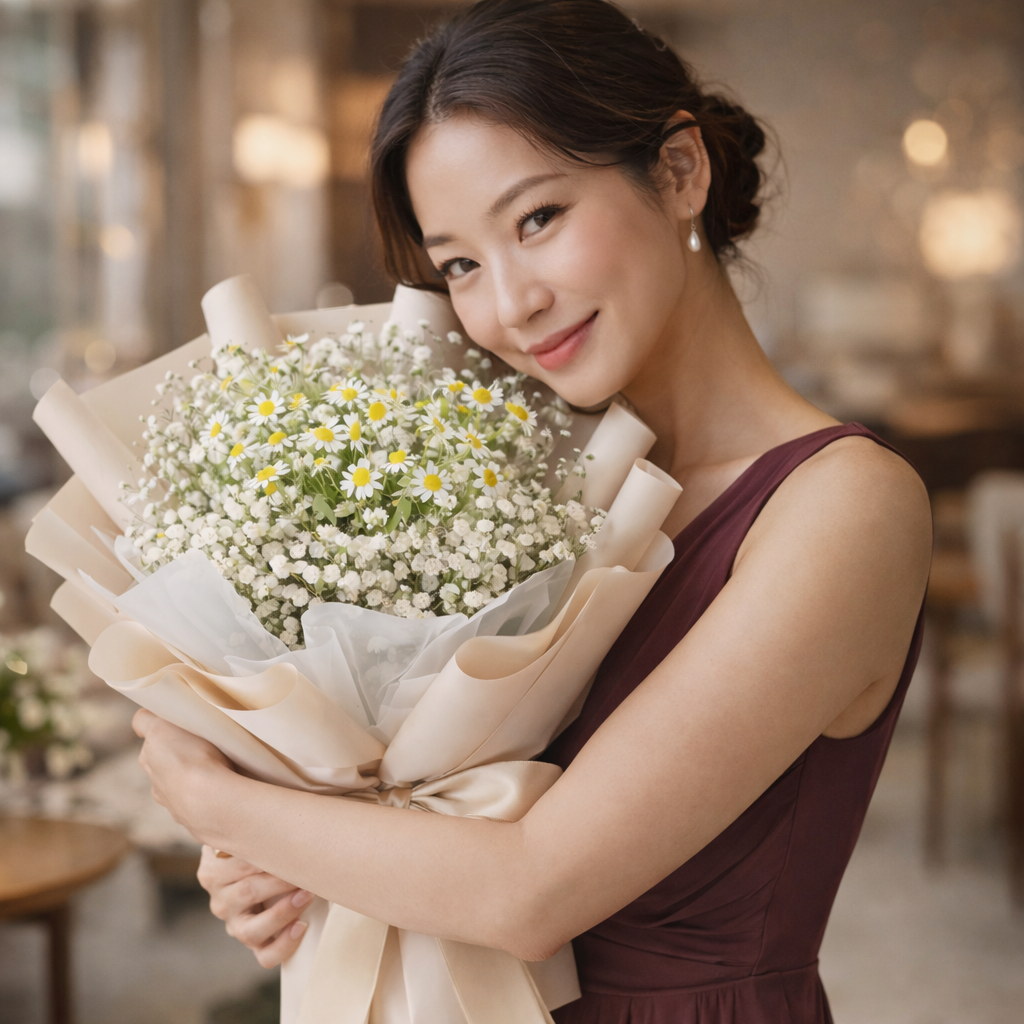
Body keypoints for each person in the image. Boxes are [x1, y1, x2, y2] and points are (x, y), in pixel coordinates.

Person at [132, 1, 932, 1020]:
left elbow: (528, 889)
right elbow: (424, 796)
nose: (509, 304)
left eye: (538, 219)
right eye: (460, 262)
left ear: (680, 172)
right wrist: (284, 850)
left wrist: (214, 797)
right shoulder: (508, 486)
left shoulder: (846, 506)